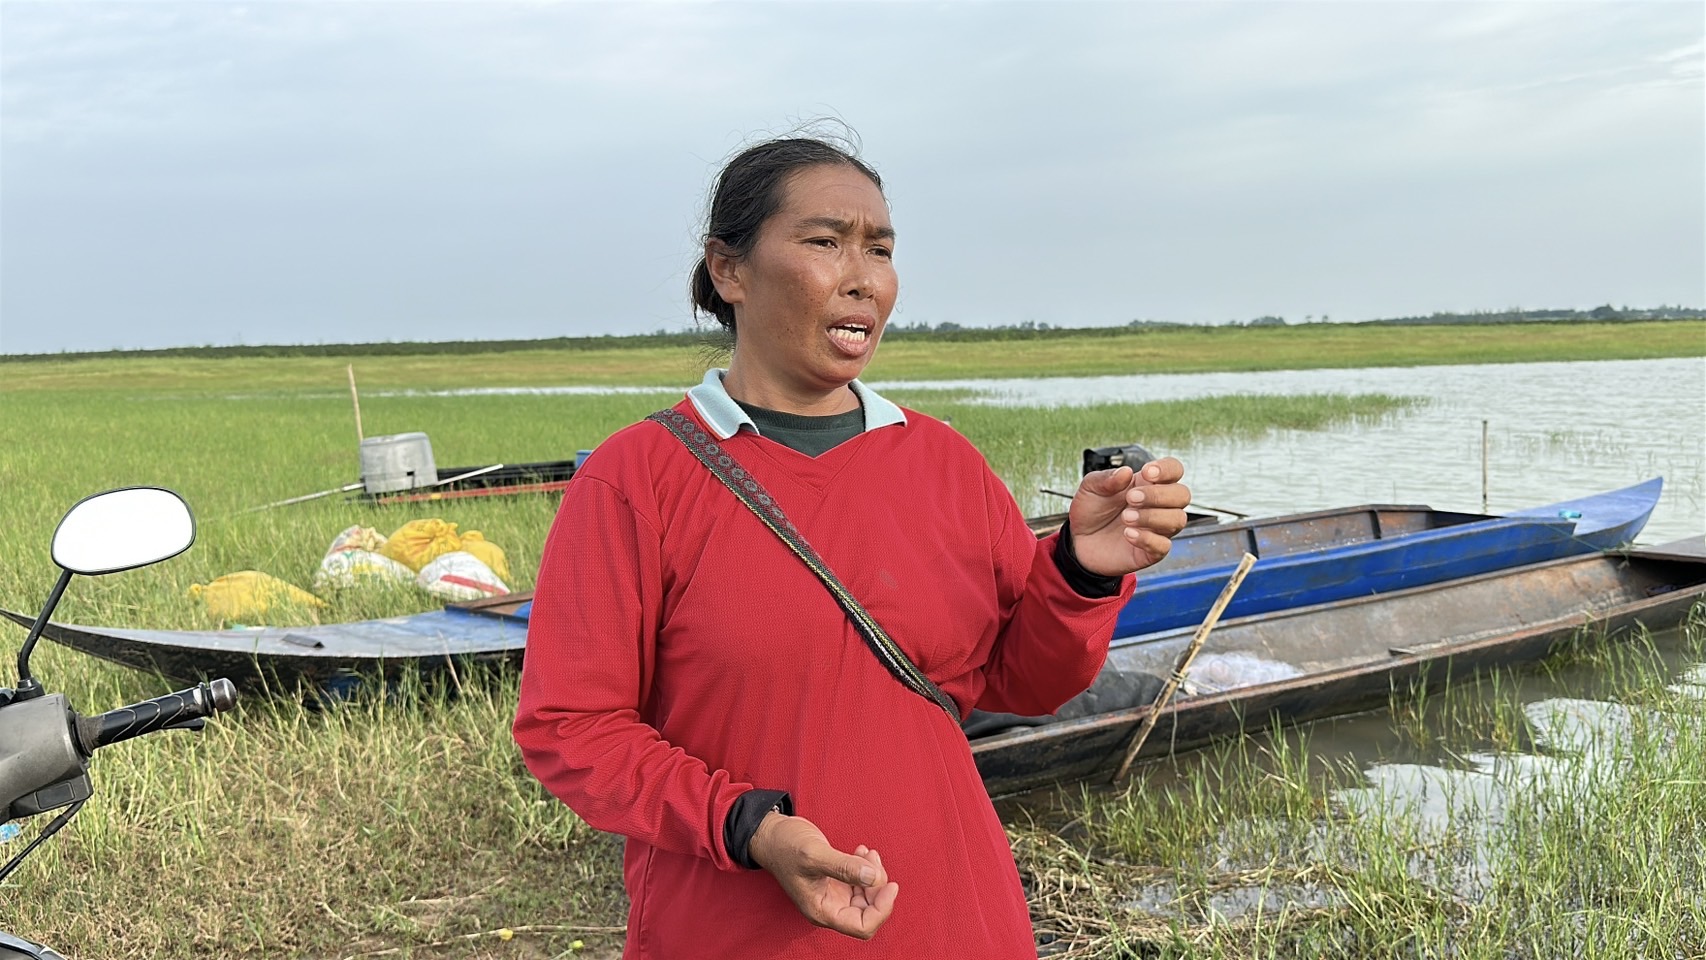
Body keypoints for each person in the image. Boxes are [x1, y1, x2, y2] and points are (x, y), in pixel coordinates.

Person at [513, 134, 1190, 959]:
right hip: (736, 931)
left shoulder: (943, 464)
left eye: (881, 249)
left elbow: (1025, 681)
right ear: (729, 269)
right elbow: (572, 728)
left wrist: (1082, 571)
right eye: (826, 242)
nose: (864, 278)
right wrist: (749, 826)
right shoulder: (637, 479)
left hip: (954, 916)